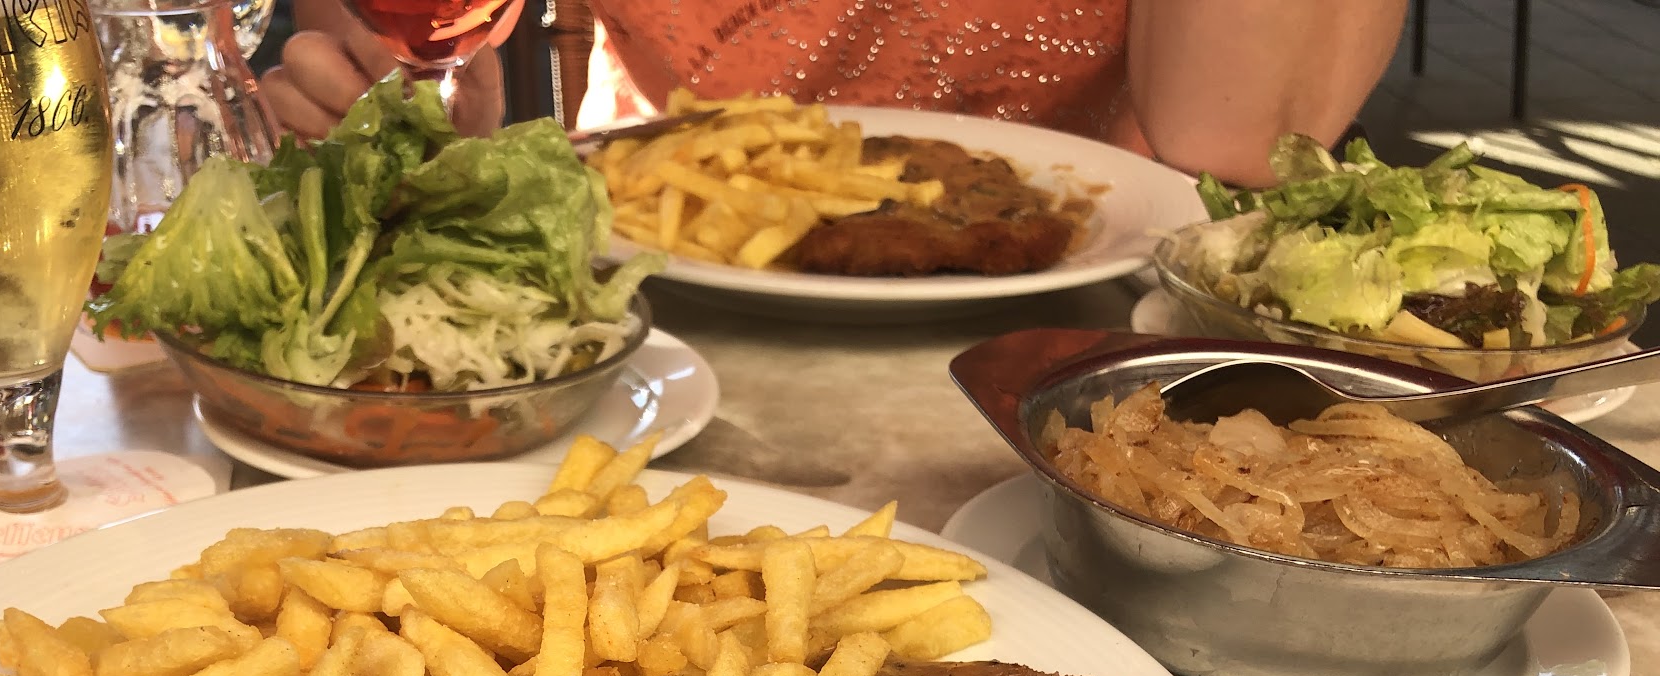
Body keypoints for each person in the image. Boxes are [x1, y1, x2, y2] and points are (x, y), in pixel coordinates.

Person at [262, 0, 1406, 186]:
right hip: (658, 307)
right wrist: (409, 101)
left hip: (1063, 346)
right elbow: (404, 39)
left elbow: (1229, 135)